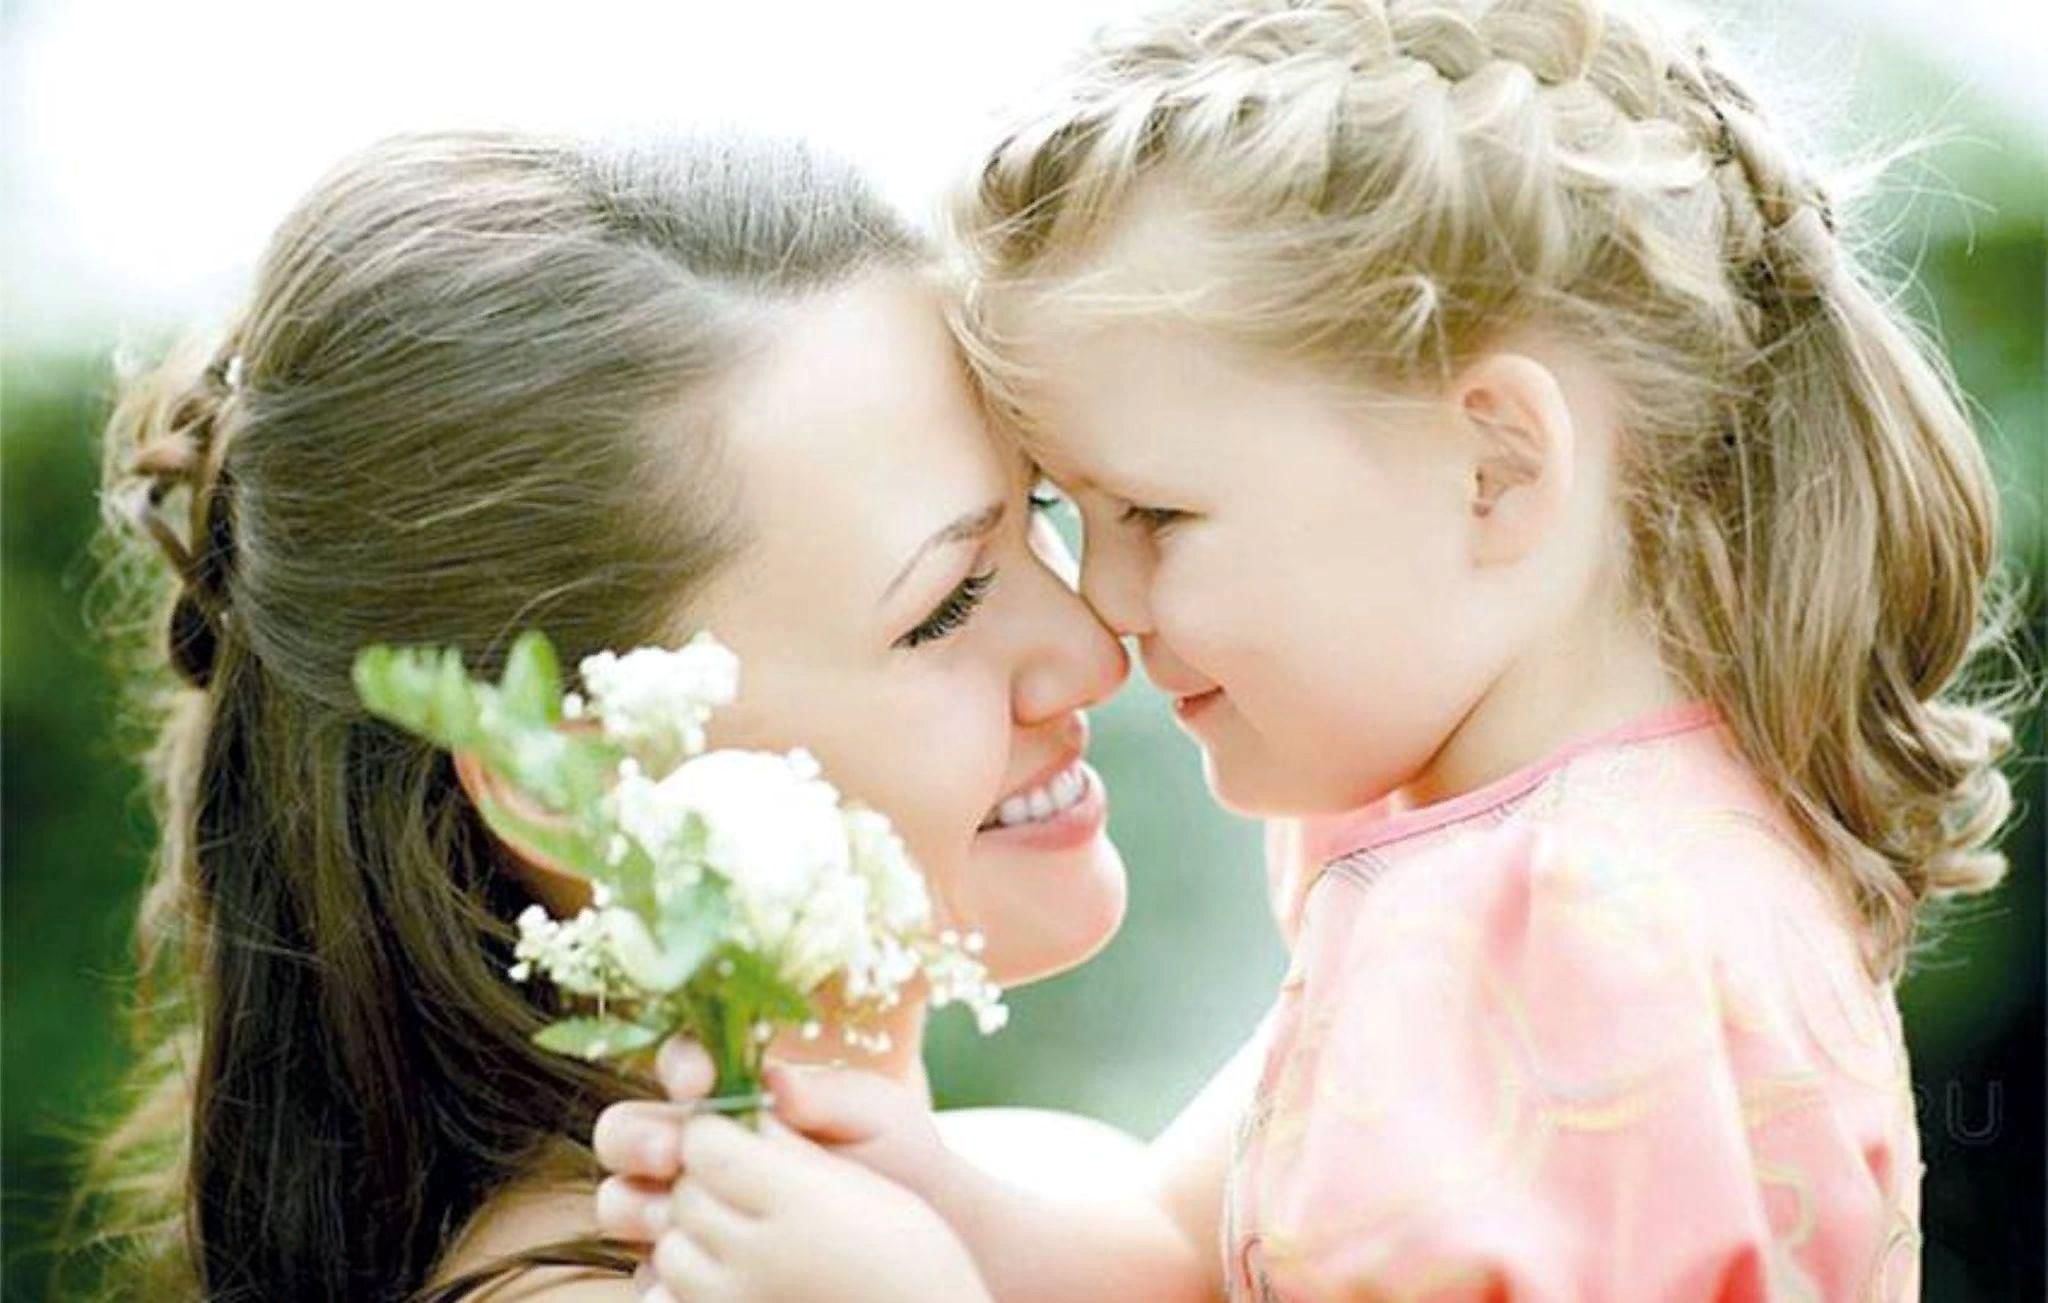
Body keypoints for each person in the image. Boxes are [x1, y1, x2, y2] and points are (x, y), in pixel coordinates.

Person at [598, 1, 2017, 1298]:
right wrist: (933, 1190)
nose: (1108, 608)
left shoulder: (1575, 934)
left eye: (1156, 514)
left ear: (1494, 471)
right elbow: (1193, 1255)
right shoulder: (1531, 856)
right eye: (1074, 514)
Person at [67, 128, 1145, 1301]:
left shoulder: (1077, 1202)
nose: (1097, 650)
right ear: (562, 782)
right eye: (947, 606)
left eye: (1041, 509)